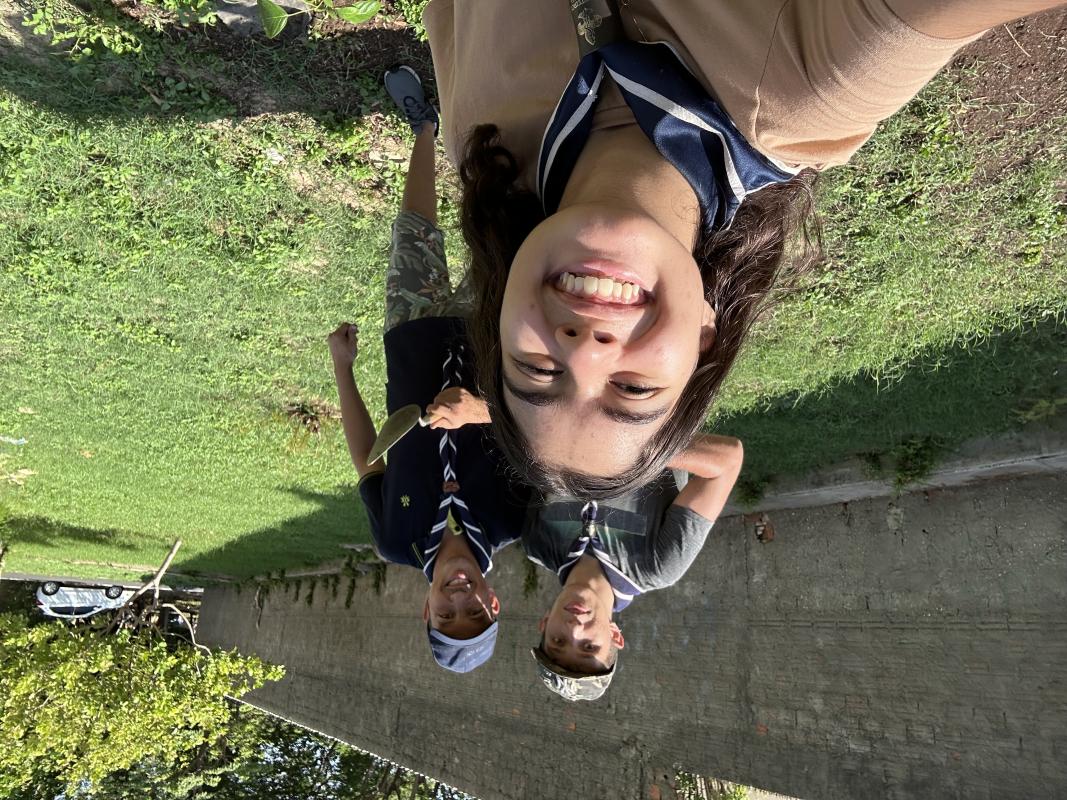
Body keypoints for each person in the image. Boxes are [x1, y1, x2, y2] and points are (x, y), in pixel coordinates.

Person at [417, 0, 1064, 498]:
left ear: (498, 317)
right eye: (633, 388)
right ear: (705, 333)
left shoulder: (478, 133)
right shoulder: (816, 83)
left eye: (537, 371)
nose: (585, 351)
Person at [327, 65, 527, 673]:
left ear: (426, 611)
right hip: (491, 337)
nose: (459, 601)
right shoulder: (511, 521)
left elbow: (371, 461)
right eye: (475, 614)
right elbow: (539, 431)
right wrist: (480, 412)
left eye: (447, 616)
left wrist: (343, 370)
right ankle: (507, 110)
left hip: (411, 340)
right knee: (503, 231)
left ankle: (424, 127)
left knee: (415, 231)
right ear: (495, 603)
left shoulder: (395, 540)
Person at [523, 434, 744, 701]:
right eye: (589, 646)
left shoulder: (538, 544)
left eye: (558, 641)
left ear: (545, 623)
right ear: (615, 636)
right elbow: (726, 461)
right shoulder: (657, 565)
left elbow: (535, 451)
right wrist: (628, 446)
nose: (574, 629)